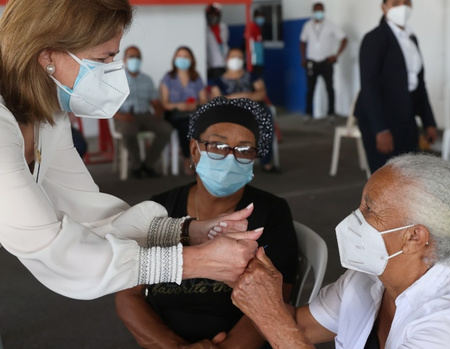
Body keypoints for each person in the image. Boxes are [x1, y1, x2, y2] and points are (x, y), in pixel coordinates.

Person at [0, 0, 262, 301]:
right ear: (47, 55)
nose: (113, 71)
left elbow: (87, 212)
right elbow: (56, 250)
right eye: (104, 59)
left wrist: (188, 232)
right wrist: (197, 261)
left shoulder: (46, 110)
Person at [231, 154, 450, 349]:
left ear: (414, 237)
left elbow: (282, 329)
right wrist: (254, 286)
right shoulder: (370, 279)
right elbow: (301, 329)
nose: (354, 218)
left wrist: (270, 314)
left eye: (369, 209)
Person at [116, 97, 298, 349]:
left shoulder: (271, 213)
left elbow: (276, 301)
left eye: (244, 150)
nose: (231, 158)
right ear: (194, 150)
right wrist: (172, 346)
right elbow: (128, 294)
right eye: (217, 145)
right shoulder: (160, 209)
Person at [355, 0, 438, 173]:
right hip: (380, 118)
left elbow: (418, 84)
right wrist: (380, 129)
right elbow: (369, 86)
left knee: (409, 174)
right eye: (395, 3)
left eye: (406, 2)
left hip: (406, 115)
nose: (402, 7)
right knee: (385, 176)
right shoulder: (374, 38)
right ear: (384, 7)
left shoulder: (411, 38)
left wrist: (429, 121)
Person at [210, 48, 278, 173]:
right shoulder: (218, 81)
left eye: (239, 57)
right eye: (233, 57)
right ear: (227, 60)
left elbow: (261, 93)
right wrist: (245, 96)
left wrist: (236, 97)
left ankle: (266, 162)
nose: (236, 60)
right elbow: (217, 100)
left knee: (265, 121)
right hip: (230, 113)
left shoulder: (252, 76)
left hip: (255, 110)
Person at [113, 45, 173, 178]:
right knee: (129, 131)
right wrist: (120, 116)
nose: (135, 59)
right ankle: (136, 166)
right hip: (125, 116)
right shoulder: (116, 79)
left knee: (166, 129)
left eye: (137, 57)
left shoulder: (147, 79)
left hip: (145, 115)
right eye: (131, 56)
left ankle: (149, 164)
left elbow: (155, 102)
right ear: (124, 59)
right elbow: (108, 104)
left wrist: (158, 112)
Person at [160, 46, 208, 175]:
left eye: (186, 56)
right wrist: (179, 106)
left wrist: (194, 104)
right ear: (175, 59)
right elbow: (164, 103)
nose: (182, 59)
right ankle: (188, 158)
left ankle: (205, 158)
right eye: (179, 56)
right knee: (186, 125)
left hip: (193, 113)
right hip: (174, 114)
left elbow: (203, 99)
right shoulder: (168, 77)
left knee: (200, 123)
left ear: (191, 59)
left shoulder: (196, 77)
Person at [300, 2, 348, 120]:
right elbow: (302, 42)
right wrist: (303, 58)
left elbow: (344, 39)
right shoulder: (307, 26)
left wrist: (336, 55)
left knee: (329, 88)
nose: (319, 13)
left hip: (326, 62)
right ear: (313, 12)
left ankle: (331, 113)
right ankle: (308, 113)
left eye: (321, 11)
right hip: (311, 62)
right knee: (310, 89)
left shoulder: (330, 25)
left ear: (324, 11)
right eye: (317, 11)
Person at [206, 3, 229, 80]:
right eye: (211, 15)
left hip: (225, 62)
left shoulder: (223, 26)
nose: (213, 18)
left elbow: (224, 40)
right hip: (212, 65)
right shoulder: (205, 28)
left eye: (215, 15)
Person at [248, 9, 266, 76]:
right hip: (253, 61)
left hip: (259, 60)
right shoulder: (252, 26)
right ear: (255, 17)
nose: (261, 19)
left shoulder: (259, 28)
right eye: (259, 16)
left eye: (262, 17)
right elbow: (246, 42)